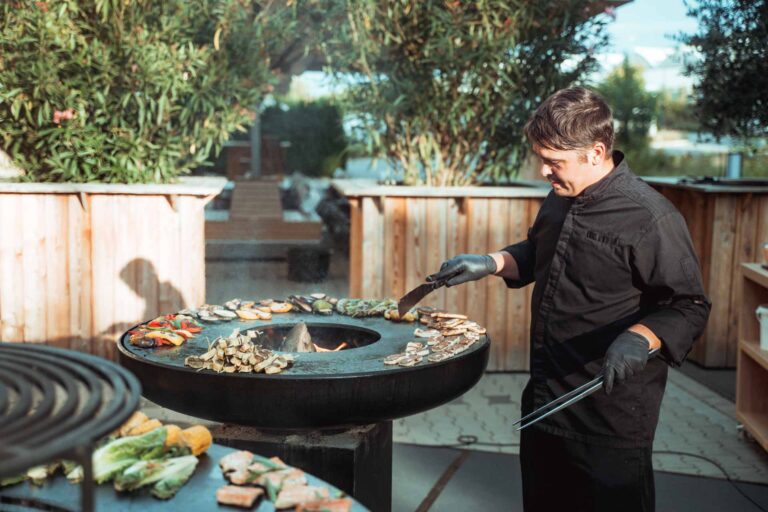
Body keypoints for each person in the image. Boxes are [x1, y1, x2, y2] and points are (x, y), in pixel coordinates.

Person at [428, 87, 711, 512]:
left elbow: (689, 305)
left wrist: (641, 337)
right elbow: (540, 253)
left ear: (596, 152)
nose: (544, 170)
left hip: (608, 415)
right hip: (544, 398)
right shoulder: (561, 193)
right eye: (542, 158)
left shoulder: (651, 217)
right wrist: (490, 262)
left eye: (553, 161)